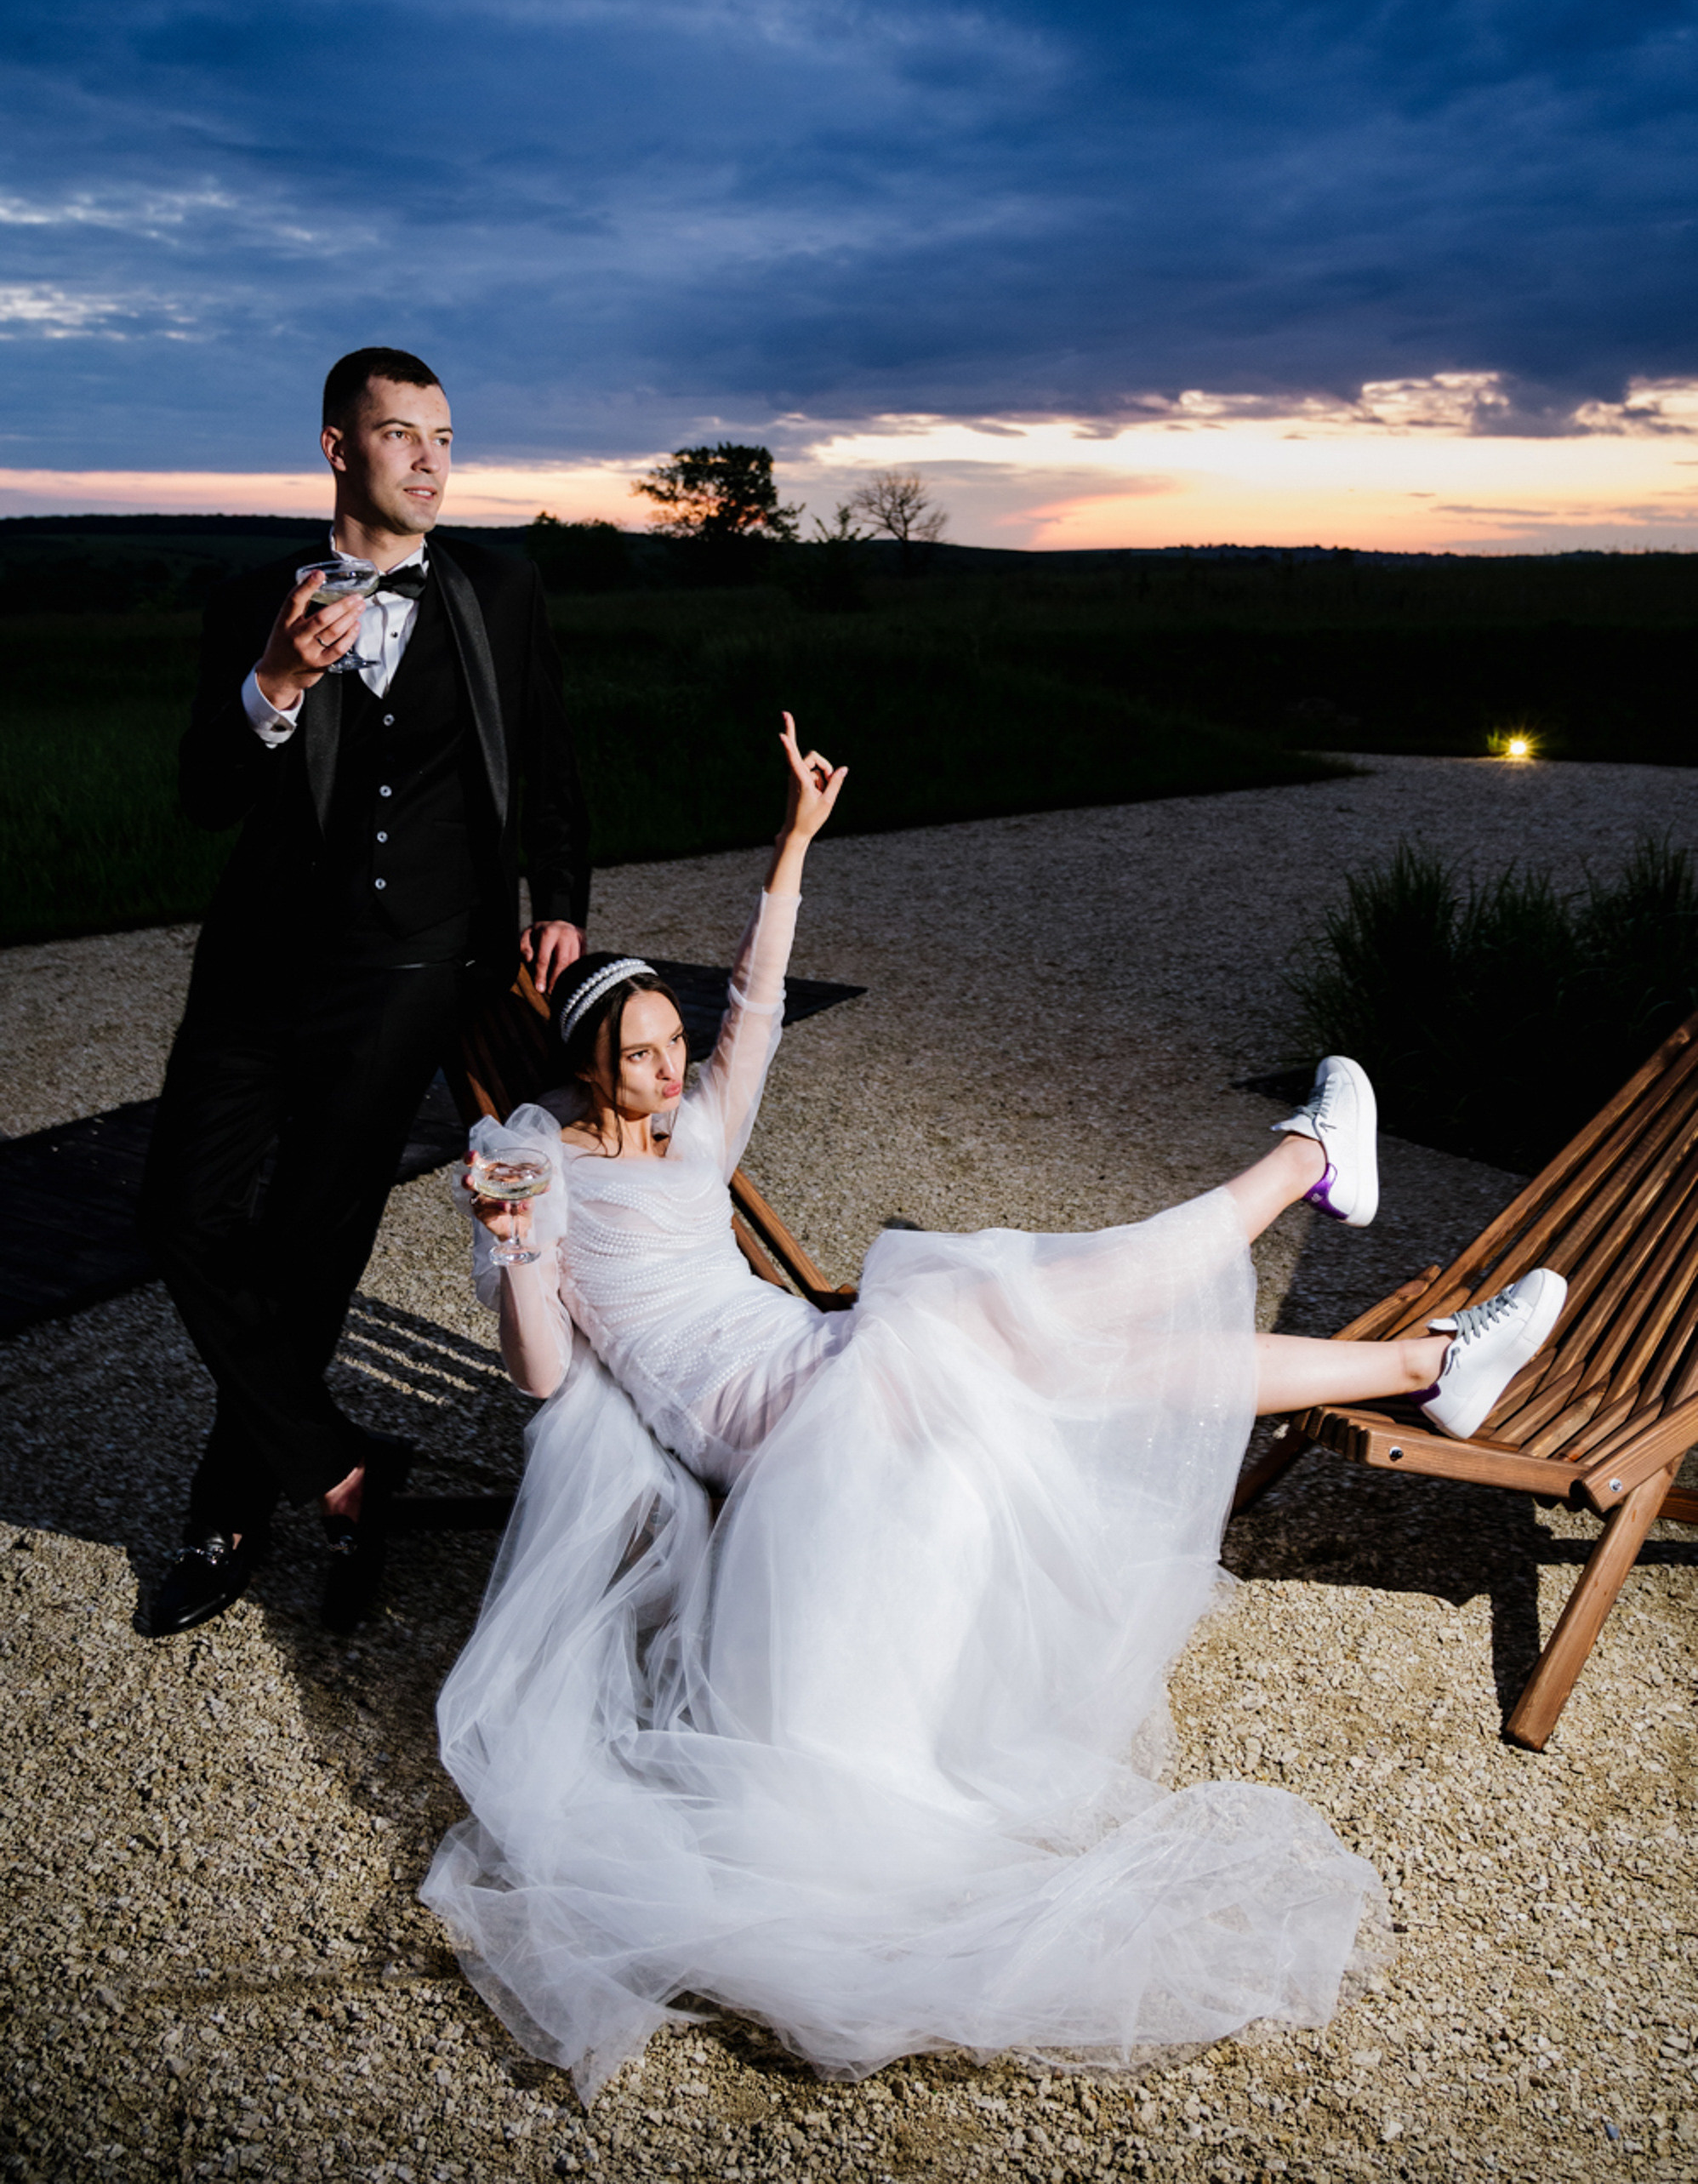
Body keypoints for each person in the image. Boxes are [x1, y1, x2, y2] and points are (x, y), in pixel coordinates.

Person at [423, 715, 1566, 2099]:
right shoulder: (536, 1161)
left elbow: (760, 1005)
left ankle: (1427, 1364)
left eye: (677, 1046)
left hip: (827, 1361)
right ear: (591, 1060)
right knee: (1001, 1299)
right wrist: (524, 1250)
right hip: (777, 1422)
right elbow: (543, 1380)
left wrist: (793, 843)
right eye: (647, 1056)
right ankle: (1303, 1170)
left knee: (1093, 1352)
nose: (674, 1074)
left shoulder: (694, 1128)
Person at [140, 346, 591, 1637]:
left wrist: (560, 894)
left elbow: (551, 754)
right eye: (403, 437)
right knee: (177, 1210)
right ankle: (335, 1464)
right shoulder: (255, 597)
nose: (434, 461)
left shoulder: (501, 586)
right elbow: (202, 797)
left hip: (411, 977)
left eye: (445, 437)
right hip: (260, 971)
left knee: (312, 1245)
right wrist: (277, 682)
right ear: (340, 448)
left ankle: (229, 1510)